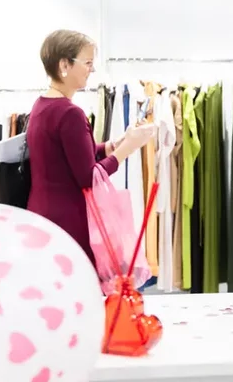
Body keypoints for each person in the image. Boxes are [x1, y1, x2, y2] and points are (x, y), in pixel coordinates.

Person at [26, 30, 154, 266]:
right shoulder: (70, 113)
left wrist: (114, 145)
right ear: (64, 65)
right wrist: (128, 148)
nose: (92, 70)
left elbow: (68, 156)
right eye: (87, 63)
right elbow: (88, 177)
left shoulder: (42, 105)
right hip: (68, 223)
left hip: (43, 215)